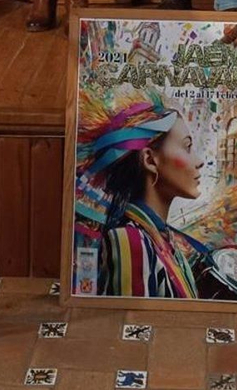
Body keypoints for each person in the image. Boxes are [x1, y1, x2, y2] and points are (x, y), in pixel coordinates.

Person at [82, 99, 210, 298]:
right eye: (187, 147)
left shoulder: (166, 243)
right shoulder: (131, 240)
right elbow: (133, 322)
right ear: (150, 160)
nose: (200, 161)